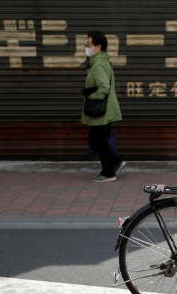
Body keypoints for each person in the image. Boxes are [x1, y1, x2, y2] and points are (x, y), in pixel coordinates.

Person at [81, 31, 125, 183]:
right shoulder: (102, 62)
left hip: (100, 110)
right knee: (98, 138)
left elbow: (103, 88)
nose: (86, 47)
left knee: (99, 140)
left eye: (88, 44)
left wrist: (89, 97)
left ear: (97, 47)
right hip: (105, 109)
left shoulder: (98, 65)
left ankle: (108, 172)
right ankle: (115, 162)